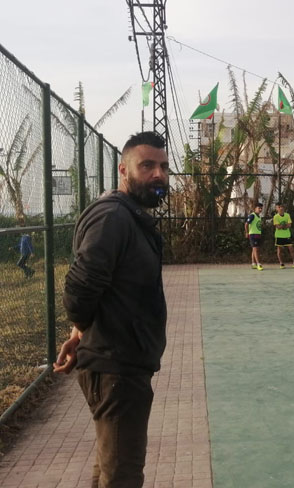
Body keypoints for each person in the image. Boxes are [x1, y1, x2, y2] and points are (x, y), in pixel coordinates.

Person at [53, 131, 169, 487]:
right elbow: (80, 287)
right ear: (123, 170)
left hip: (121, 364)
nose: (158, 175)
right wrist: (83, 326)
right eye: (146, 166)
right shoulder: (113, 217)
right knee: (122, 474)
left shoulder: (128, 216)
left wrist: (79, 333)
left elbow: (104, 285)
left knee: (110, 467)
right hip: (116, 367)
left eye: (163, 167)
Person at [273, 203, 294, 268]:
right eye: (279, 207)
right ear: (277, 209)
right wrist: (284, 225)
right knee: (279, 250)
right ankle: (281, 264)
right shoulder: (276, 217)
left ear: (284, 208)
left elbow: (289, 225)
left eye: (282, 207)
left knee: (291, 249)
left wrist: (283, 226)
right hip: (279, 236)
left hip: (287, 235)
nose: (281, 208)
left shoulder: (287, 215)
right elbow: (278, 227)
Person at [245, 202, 264, 271]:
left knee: (255, 249)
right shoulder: (252, 216)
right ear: (255, 208)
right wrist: (247, 232)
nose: (260, 209)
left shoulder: (259, 217)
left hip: (258, 234)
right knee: (255, 249)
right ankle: (258, 264)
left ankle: (253, 264)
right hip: (252, 235)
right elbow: (246, 224)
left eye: (261, 208)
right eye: (259, 208)